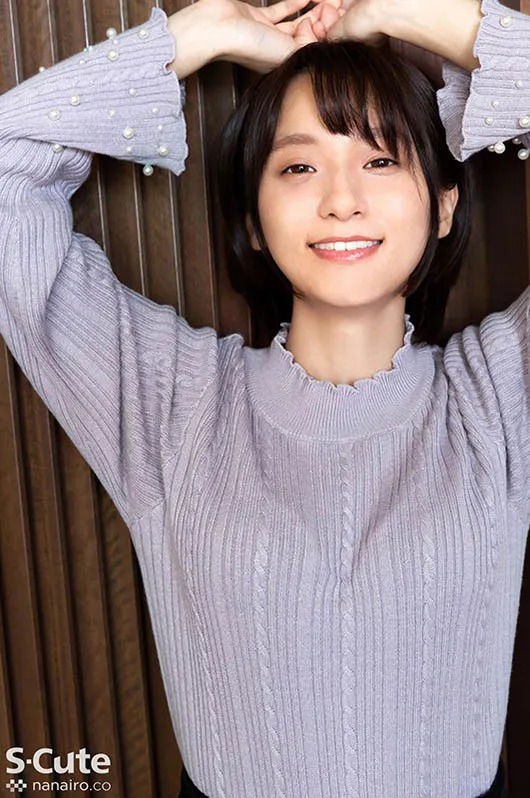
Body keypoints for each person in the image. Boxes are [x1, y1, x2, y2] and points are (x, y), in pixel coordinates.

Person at [0, 0, 526, 794]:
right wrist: (201, 32)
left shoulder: (502, 397)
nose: (341, 199)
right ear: (251, 217)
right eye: (299, 167)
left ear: (444, 205)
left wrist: (432, 18)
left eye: (381, 160)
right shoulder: (170, 404)